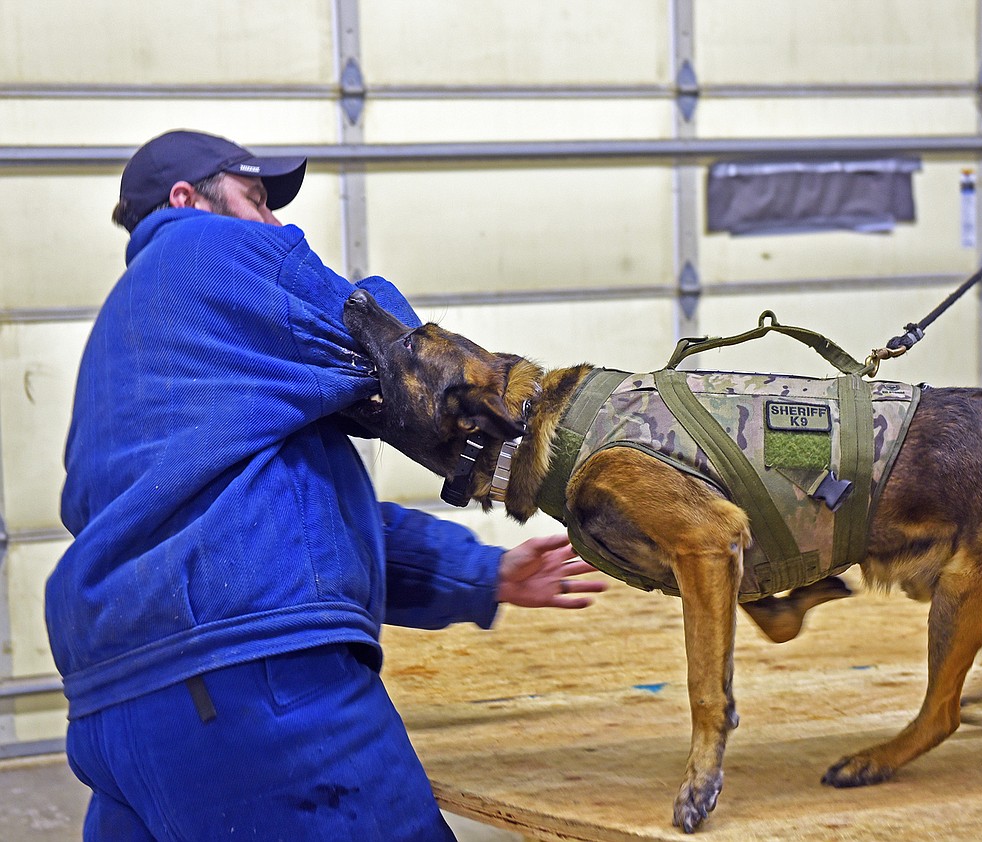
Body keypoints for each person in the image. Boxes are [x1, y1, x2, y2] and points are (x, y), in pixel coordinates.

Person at [44, 129, 606, 841]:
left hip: (112, 710)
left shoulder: (126, 349)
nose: (277, 224)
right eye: (256, 199)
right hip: (251, 689)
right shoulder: (208, 249)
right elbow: (400, 351)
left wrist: (485, 573)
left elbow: (296, 511)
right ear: (186, 199)